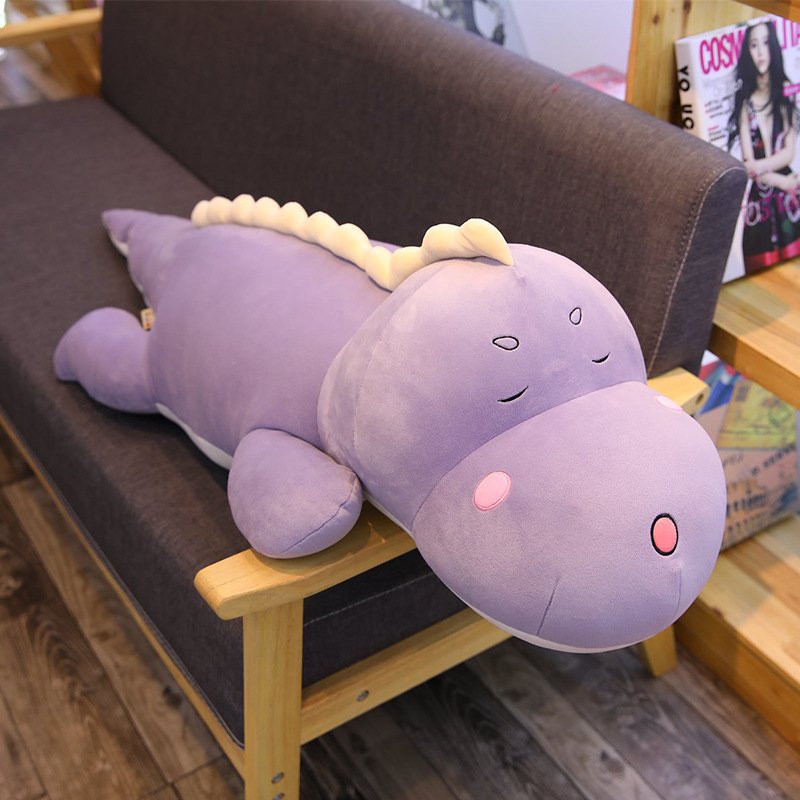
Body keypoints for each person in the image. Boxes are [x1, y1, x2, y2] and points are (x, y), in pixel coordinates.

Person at [728, 19, 800, 272]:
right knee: (759, 265)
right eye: (754, 45)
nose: (760, 52)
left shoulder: (786, 95)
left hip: (790, 201)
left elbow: (788, 153)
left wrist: (757, 169)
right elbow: (748, 165)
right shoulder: (744, 104)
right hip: (763, 202)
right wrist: (780, 180)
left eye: (766, 43)